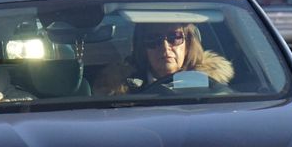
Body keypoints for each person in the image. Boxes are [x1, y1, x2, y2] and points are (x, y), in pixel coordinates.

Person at [93, 22, 234, 95]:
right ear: (142, 47)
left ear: (189, 44)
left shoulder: (214, 90)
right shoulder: (117, 94)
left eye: (175, 37)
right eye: (152, 39)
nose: (165, 47)